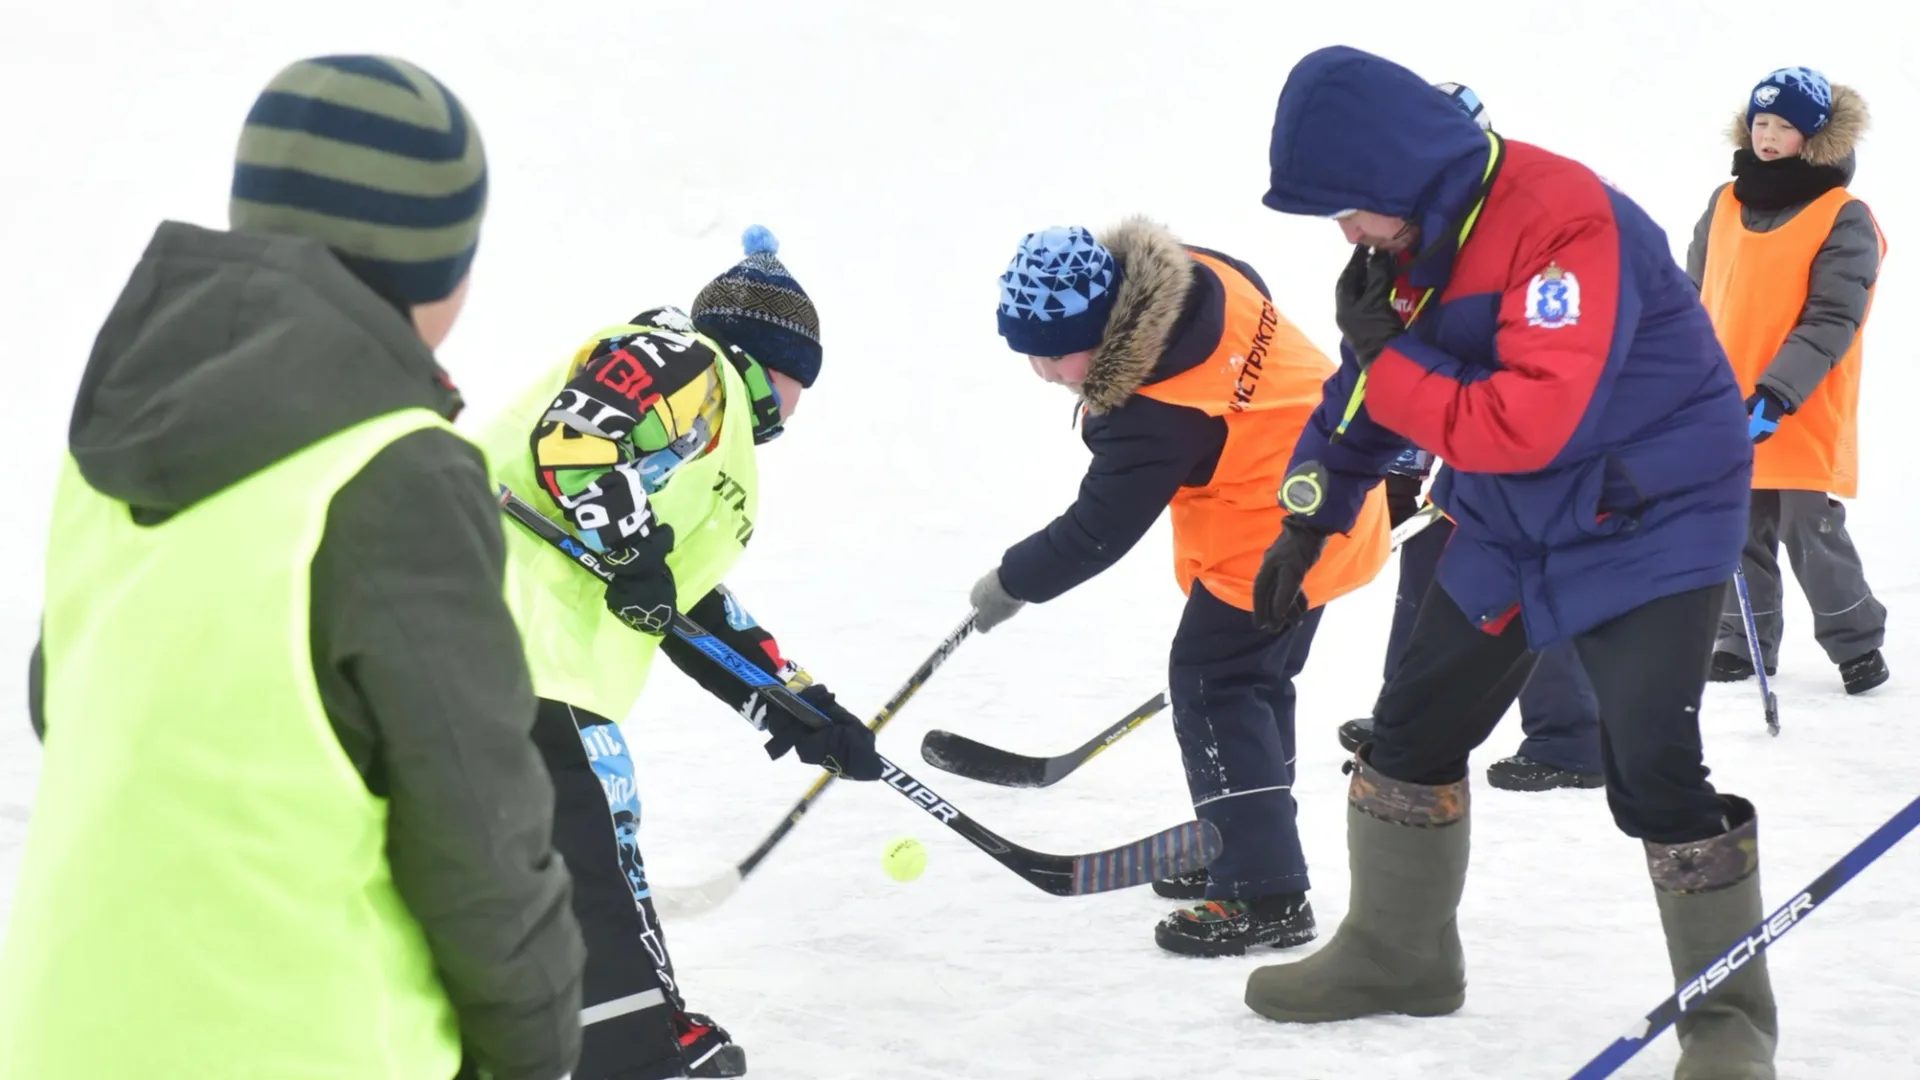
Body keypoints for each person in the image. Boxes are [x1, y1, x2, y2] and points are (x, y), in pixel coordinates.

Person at [1, 56, 585, 1080]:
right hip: (299, 1041)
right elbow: (479, 836)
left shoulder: (116, 433)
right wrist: (536, 1052)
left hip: (61, 1032)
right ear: (439, 269)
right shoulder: (394, 472)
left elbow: (70, 705)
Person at [1243, 45, 1777, 1079]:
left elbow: (1525, 423)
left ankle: (1728, 1024)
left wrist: (1388, 359)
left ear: (1398, 173)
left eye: (1348, 206)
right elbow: (1370, 387)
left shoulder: (1568, 224)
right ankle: (1396, 958)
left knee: (1653, 766)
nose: (1343, 232)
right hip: (1511, 518)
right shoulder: (1411, 244)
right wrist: (1310, 508)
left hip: (1649, 515)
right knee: (1410, 730)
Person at [479, 227, 884, 1079]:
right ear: (775, 365)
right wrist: (634, 554)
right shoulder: (686, 360)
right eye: (801, 383)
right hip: (500, 640)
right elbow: (578, 440)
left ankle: (609, 1033)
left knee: (561, 837)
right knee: (592, 834)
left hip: (531, 667)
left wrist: (801, 707)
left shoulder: (721, 454)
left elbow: (687, 604)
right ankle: (633, 1048)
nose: (800, 407)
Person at [967, 219, 1391, 956]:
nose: (1042, 372)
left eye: (1053, 353)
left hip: (1277, 545)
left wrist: (1012, 581)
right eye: (1027, 354)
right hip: (1334, 499)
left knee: (1214, 684)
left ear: (1102, 326)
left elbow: (1099, 529)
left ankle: (1266, 894)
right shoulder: (1201, 273)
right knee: (1252, 686)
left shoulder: (1153, 415)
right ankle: (1247, 845)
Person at [1339, 81, 1605, 794]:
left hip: (1522, 464)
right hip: (1446, 463)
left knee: (1519, 592)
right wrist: (1396, 465)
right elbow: (1393, 369)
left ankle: (1572, 738)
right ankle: (1405, 719)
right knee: (1426, 581)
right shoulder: (1406, 253)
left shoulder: (1523, 241)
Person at [1686, 67, 1889, 696]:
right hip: (1724, 399)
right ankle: (1741, 641)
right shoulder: (1723, 202)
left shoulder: (1844, 216)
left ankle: (1855, 639)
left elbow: (1833, 315)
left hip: (1802, 399)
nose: (1769, 137)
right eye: (1761, 124)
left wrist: (1777, 390)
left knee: (1808, 525)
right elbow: (1692, 297)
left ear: (1816, 135)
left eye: (1784, 127)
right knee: (1735, 524)